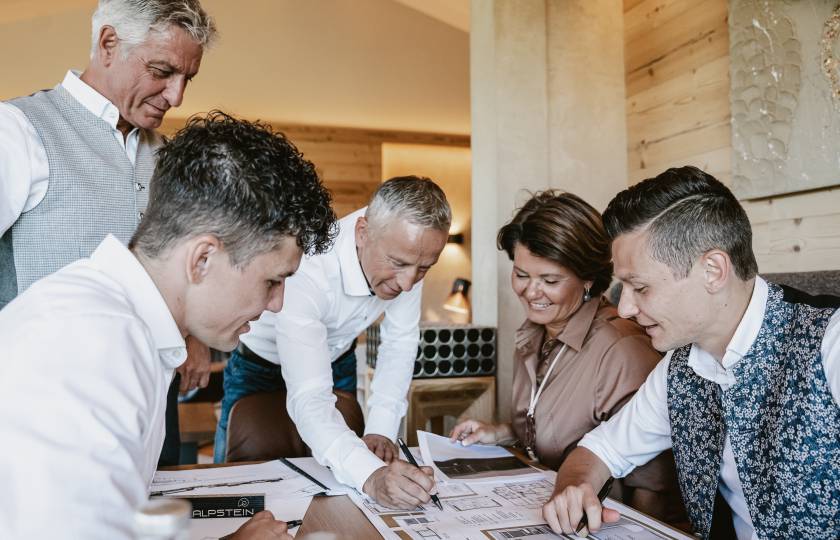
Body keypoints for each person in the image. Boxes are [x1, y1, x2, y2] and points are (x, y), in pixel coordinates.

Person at [0, 112, 338, 539]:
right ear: (202, 259)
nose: (277, 304)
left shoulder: (120, 326)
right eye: (272, 280)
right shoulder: (93, 348)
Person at [542, 167, 840, 539]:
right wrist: (575, 488)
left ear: (713, 270)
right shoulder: (679, 369)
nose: (625, 309)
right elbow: (600, 450)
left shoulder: (830, 339)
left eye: (640, 287)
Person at [0, 0, 218, 464]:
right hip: (52, 414)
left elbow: (181, 268)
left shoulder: (169, 155)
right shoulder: (17, 131)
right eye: (162, 71)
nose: (176, 96)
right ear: (108, 44)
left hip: (155, 401)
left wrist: (195, 335)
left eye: (187, 79)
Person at [216, 176, 451, 509]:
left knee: (338, 489)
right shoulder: (309, 266)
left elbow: (400, 341)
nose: (409, 283)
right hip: (259, 363)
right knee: (233, 488)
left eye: (425, 269)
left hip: (338, 356)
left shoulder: (409, 253)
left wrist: (382, 428)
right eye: (398, 264)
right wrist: (370, 475)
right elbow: (310, 398)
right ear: (362, 233)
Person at [449, 191, 682, 523]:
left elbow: (653, 490)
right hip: (548, 506)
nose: (531, 292)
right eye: (521, 275)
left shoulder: (621, 349)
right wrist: (500, 432)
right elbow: (555, 426)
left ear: (587, 280)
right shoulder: (534, 332)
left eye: (550, 280)